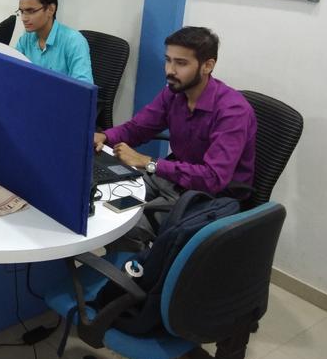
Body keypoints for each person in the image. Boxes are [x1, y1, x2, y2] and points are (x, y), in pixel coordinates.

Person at [94, 26, 256, 240]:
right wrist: (104, 136)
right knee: (100, 203)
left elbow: (213, 178)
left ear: (208, 66)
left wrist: (149, 162)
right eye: (168, 60)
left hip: (208, 198)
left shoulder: (233, 111)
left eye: (181, 63)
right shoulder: (174, 93)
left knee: (120, 225)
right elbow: (138, 128)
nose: (170, 70)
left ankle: (142, 260)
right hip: (171, 179)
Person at [14, 0, 93, 83]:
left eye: (31, 11)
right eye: (22, 11)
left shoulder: (74, 41)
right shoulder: (26, 38)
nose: (24, 18)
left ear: (51, 10)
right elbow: (13, 71)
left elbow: (83, 88)